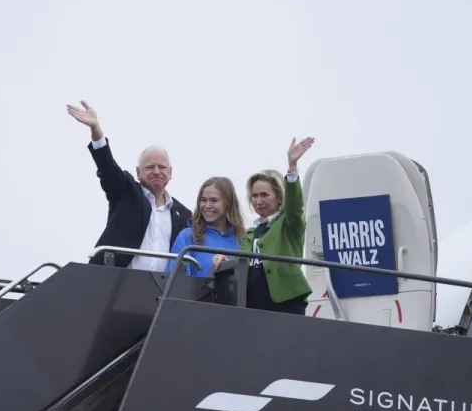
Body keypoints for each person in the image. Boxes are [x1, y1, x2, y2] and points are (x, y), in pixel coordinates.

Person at [66, 100, 192, 271]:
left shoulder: (183, 215)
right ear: (138, 172)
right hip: (118, 285)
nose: (156, 171)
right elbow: (107, 167)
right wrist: (96, 129)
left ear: (170, 172)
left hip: (163, 291)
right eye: (149, 167)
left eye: (162, 167)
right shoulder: (126, 191)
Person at [213, 137, 315, 315]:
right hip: (252, 301)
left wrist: (292, 168)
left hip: (285, 301)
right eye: (254, 196)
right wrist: (225, 262)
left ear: (278, 196)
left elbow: (294, 206)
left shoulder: (289, 223)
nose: (258, 201)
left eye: (264, 195)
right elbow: (244, 264)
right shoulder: (251, 232)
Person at [165, 177, 246, 277]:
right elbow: (177, 283)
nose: (207, 205)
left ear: (228, 203)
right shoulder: (188, 237)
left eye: (214, 200)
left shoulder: (244, 240)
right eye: (203, 200)